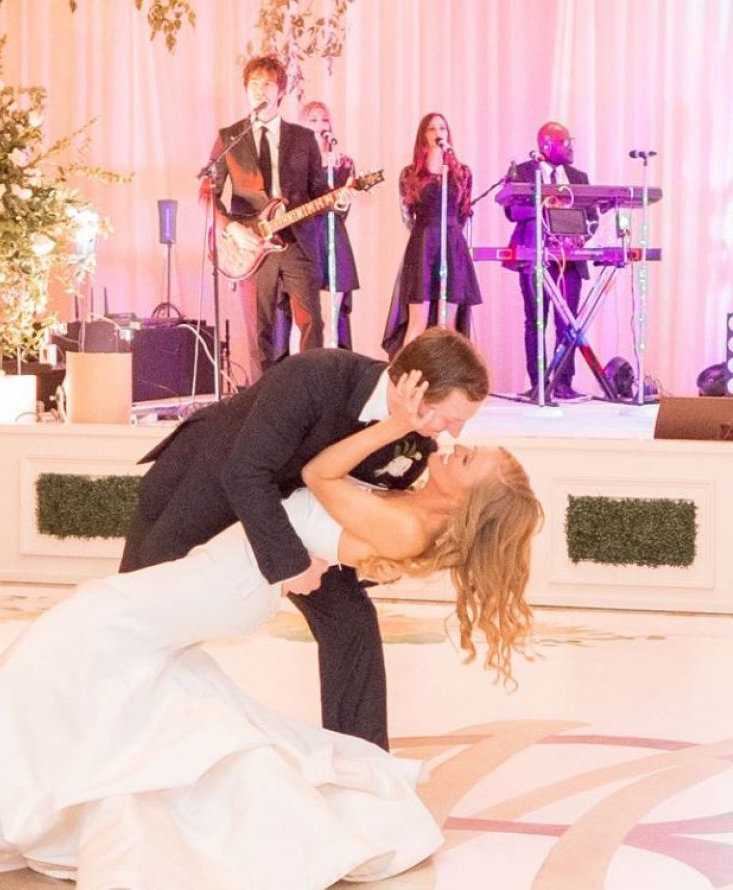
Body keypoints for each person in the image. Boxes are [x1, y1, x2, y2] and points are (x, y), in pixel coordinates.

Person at [0, 371, 544, 887]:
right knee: (121, 659)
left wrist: (397, 423)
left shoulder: (407, 523)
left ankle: (14, 797)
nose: (453, 447)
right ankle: (68, 789)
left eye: (466, 461)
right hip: (231, 574)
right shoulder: (412, 499)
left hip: (228, 583)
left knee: (81, 627)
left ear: (466, 500)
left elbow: (318, 474)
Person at [122, 326, 488, 749]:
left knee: (351, 621)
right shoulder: (316, 375)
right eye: (451, 418)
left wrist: (377, 558)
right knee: (139, 612)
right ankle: (122, 740)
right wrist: (292, 565)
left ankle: (363, 762)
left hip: (290, 512)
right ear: (414, 388)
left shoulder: (415, 441)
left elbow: (356, 505)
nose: (453, 434)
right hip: (204, 479)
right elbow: (244, 472)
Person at [210, 55, 331, 374]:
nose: (259, 91)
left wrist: (336, 199)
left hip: (298, 243)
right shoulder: (229, 137)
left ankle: (311, 397)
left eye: (267, 84)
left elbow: (319, 192)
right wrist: (232, 227)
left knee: (310, 325)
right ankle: (266, 403)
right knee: (262, 331)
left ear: (281, 91)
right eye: (253, 84)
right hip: (251, 247)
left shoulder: (303, 138)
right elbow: (207, 193)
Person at [505, 121, 597, 403]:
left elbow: (593, 216)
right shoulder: (522, 172)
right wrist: (544, 203)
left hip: (569, 261)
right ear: (546, 145)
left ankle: (563, 382)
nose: (571, 148)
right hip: (533, 257)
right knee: (536, 321)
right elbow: (511, 211)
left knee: (567, 323)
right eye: (566, 142)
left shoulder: (578, 176)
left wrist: (582, 238)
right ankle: (539, 383)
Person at [383, 113, 482, 356]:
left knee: (448, 325)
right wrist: (427, 234)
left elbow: (463, 212)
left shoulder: (462, 173)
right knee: (418, 321)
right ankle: (402, 377)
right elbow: (407, 214)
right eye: (432, 128)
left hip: (452, 245)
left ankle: (448, 380)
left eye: (443, 128)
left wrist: (451, 233)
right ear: (423, 135)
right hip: (424, 245)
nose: (438, 132)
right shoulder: (410, 173)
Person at [302, 100, 361, 350]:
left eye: (324, 119)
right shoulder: (297, 160)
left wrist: (343, 200)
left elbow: (342, 210)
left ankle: (333, 368)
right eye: (313, 120)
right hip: (305, 235)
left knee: (332, 316)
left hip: (333, 234)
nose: (319, 125)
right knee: (305, 316)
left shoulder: (343, 162)